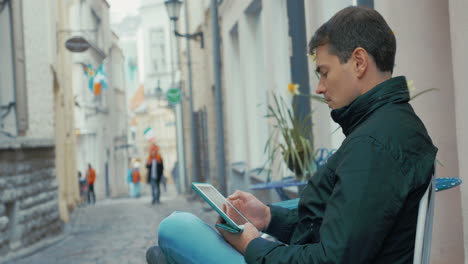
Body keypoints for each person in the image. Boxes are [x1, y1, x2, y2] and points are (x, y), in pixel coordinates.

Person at [149, 6, 437, 264]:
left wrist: (253, 245)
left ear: (359, 61)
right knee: (173, 244)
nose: (320, 88)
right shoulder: (388, 127)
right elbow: (337, 226)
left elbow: (332, 258)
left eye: (324, 72)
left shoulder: (374, 144)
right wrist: (268, 218)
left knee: (176, 228)